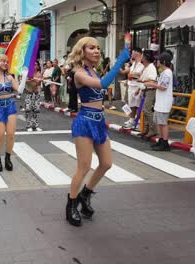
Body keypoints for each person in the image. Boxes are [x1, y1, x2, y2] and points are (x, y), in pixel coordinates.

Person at [65, 37, 130, 226]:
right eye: (91, 48)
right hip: (84, 122)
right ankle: (71, 205)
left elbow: (102, 84)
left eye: (98, 48)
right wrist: (119, 61)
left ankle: (85, 195)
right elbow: (102, 85)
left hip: (99, 121)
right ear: (82, 51)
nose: (96, 51)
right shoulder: (78, 73)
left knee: (107, 163)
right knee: (83, 167)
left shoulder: (93, 70)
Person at [145, 52, 174, 151]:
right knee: (159, 122)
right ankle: (161, 140)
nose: (156, 61)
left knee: (163, 123)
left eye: (158, 60)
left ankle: (165, 143)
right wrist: (152, 83)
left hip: (164, 102)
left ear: (163, 61)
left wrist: (152, 85)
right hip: (161, 102)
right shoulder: (164, 72)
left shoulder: (167, 72)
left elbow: (163, 87)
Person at [137, 50, 158, 140]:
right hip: (145, 90)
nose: (141, 57)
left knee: (147, 110)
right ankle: (146, 129)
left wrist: (142, 81)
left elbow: (153, 81)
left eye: (142, 55)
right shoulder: (146, 67)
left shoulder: (151, 67)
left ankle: (153, 129)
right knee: (144, 110)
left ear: (145, 57)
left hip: (150, 90)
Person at [121, 47, 144, 128]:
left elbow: (141, 74)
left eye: (132, 52)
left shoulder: (143, 63)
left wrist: (133, 74)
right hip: (131, 85)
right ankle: (132, 120)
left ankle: (139, 122)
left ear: (137, 53)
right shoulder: (133, 63)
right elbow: (127, 72)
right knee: (131, 104)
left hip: (137, 86)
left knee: (138, 105)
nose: (131, 54)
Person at [25, 61, 42, 132]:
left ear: (38, 66)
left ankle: (35, 125)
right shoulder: (28, 73)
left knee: (36, 110)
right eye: (33, 64)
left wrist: (37, 80)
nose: (34, 66)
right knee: (28, 110)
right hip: (29, 94)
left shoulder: (39, 74)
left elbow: (38, 84)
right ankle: (28, 125)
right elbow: (25, 82)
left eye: (36, 65)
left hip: (36, 93)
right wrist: (31, 80)